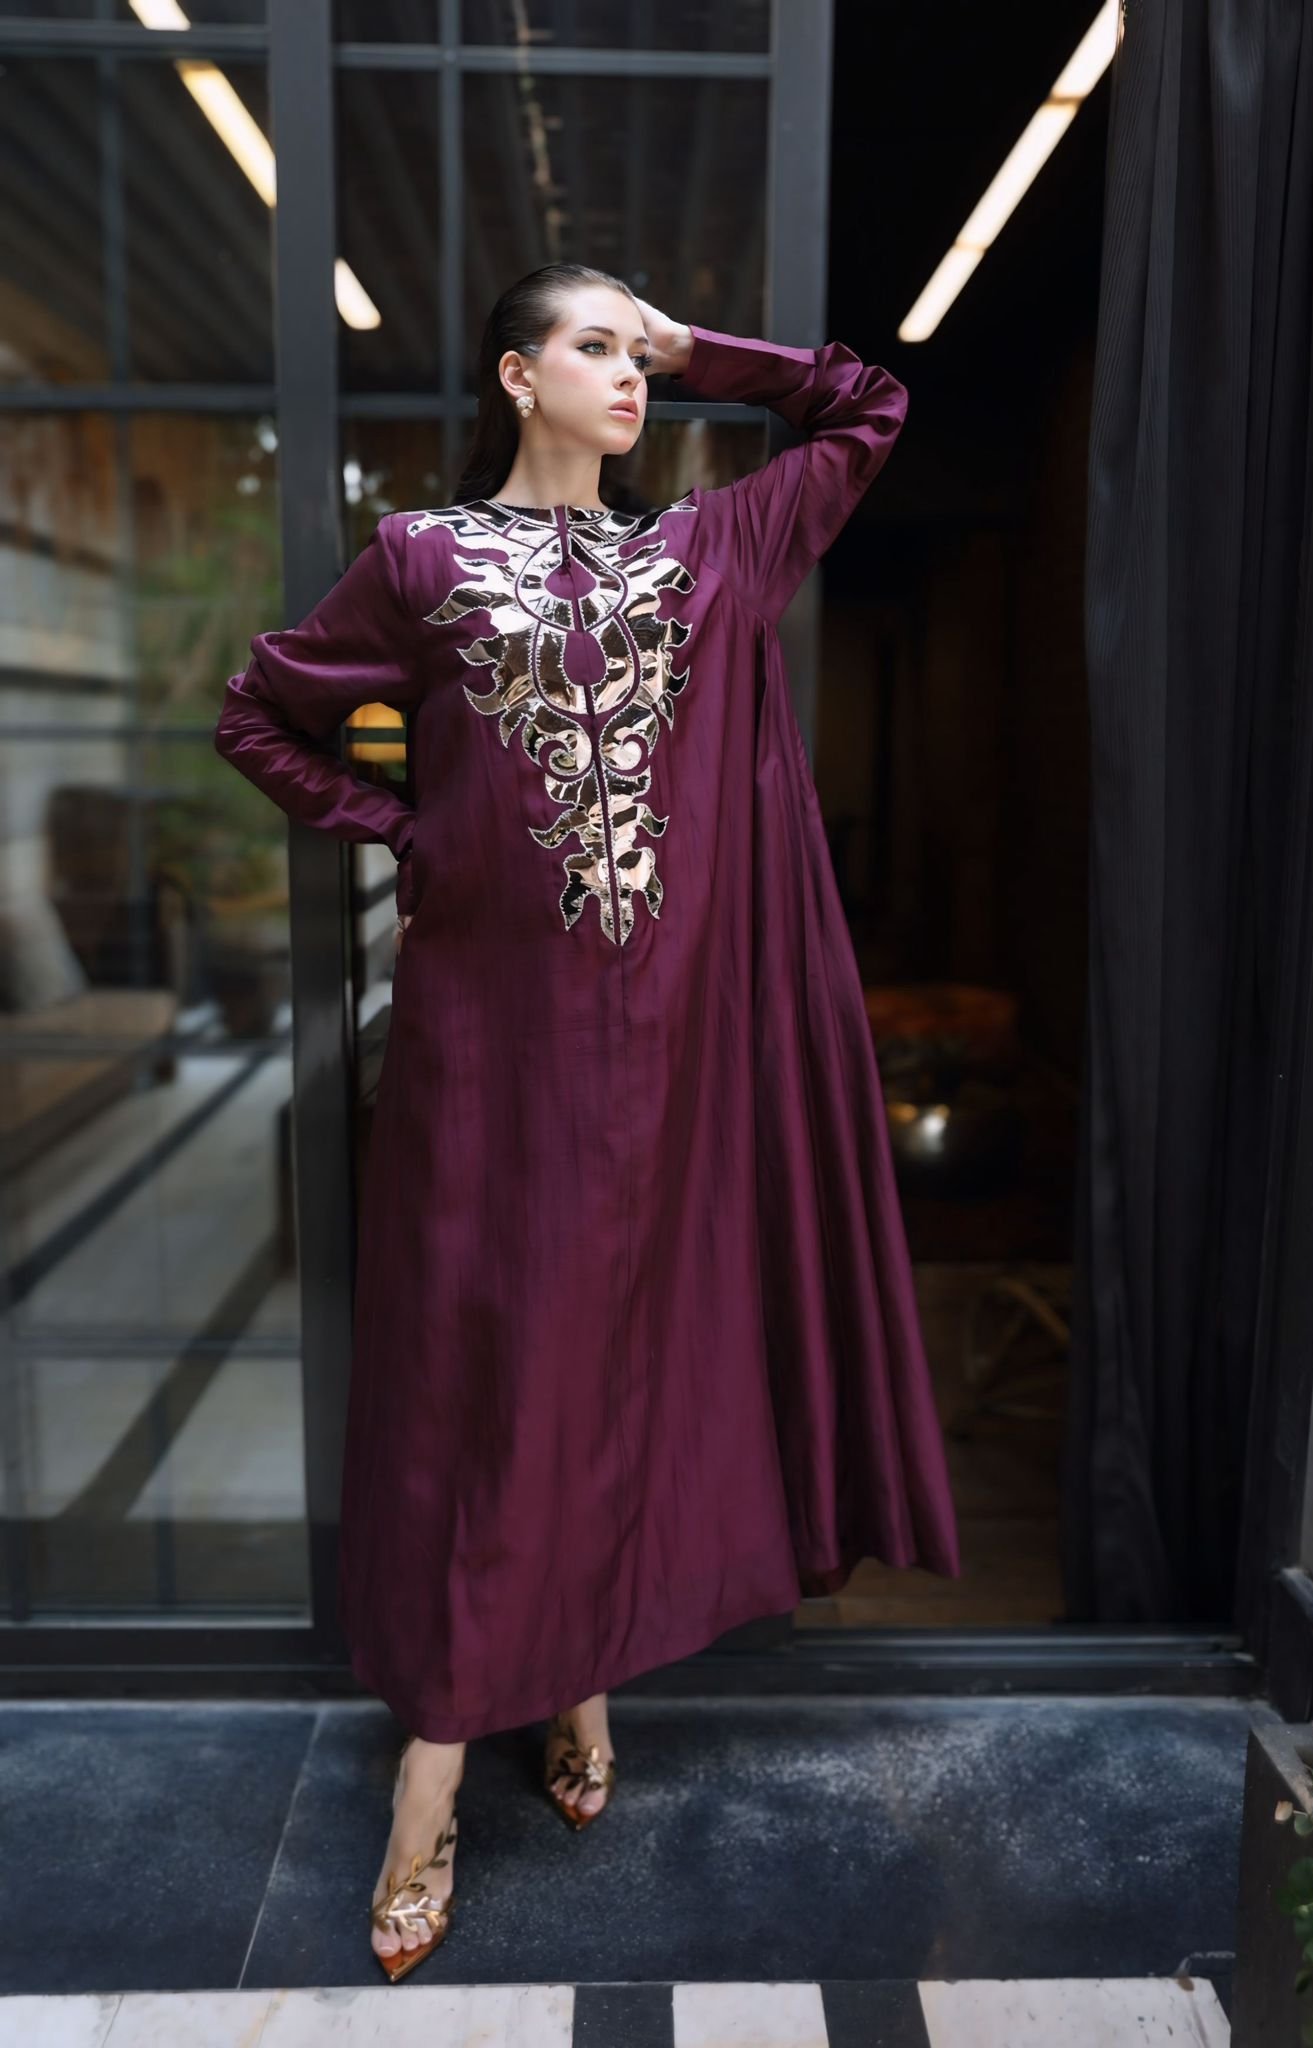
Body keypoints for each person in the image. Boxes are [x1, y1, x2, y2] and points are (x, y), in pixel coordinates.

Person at [213, 262, 962, 1982]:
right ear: (515, 374)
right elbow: (263, 713)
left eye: (644, 353)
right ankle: (434, 1761)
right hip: (488, 1055)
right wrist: (407, 829)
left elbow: (866, 408)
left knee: (626, 1358)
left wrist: (710, 351)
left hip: (671, 1063)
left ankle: (584, 1669)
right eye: (600, 346)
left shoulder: (706, 553)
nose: (633, 376)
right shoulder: (423, 560)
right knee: (487, 1373)